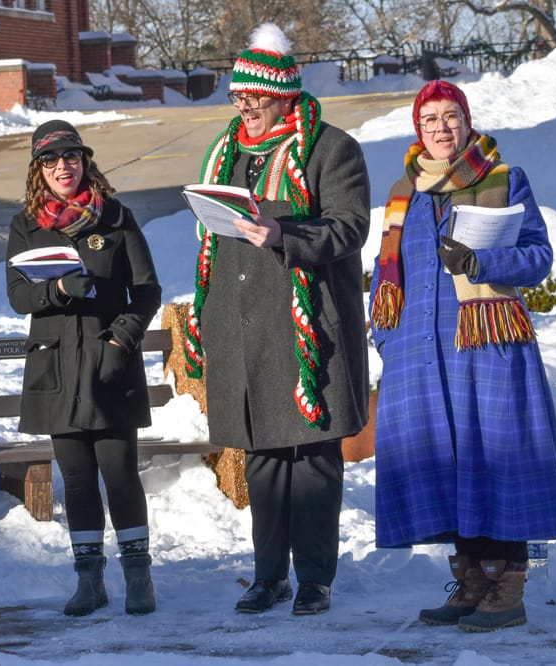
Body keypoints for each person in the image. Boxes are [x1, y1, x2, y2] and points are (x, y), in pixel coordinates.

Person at [369, 79, 556, 632]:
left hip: (487, 345)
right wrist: (384, 336)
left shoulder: (504, 179)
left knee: (495, 459)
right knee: (448, 463)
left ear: (467, 121)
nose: (441, 128)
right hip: (420, 352)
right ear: (418, 130)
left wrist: (484, 265)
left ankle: (507, 586)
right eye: (430, 119)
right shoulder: (402, 193)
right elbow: (384, 274)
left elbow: (538, 257)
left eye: (451, 117)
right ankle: (471, 583)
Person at [183, 24, 371, 616]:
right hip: (243, 326)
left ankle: (314, 577)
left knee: (312, 458)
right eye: (239, 98)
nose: (246, 108)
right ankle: (269, 576)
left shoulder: (330, 148)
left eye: (256, 99)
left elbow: (350, 228)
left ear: (284, 97)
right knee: (263, 458)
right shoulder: (226, 151)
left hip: (305, 326)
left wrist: (285, 234)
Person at [6, 120, 162, 616]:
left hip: (109, 362)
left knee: (119, 474)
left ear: (84, 161)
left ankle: (139, 578)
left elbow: (147, 291)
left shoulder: (115, 217)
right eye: (50, 161)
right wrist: (56, 291)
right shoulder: (25, 226)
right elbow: (16, 296)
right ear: (39, 171)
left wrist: (123, 338)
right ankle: (89, 581)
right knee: (76, 480)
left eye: (71, 157)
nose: (62, 167)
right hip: (54, 370)